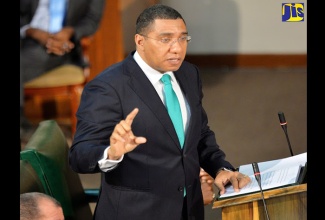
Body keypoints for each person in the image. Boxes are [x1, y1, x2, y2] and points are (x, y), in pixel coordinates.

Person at [69, 4, 251, 220]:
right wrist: (112, 153)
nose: (177, 48)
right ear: (140, 41)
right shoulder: (108, 87)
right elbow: (79, 154)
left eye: (183, 39)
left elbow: (199, 133)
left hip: (188, 209)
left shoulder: (188, 73)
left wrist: (220, 168)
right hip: (136, 213)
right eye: (166, 39)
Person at [20, 0, 106, 140]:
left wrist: (69, 32)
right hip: (27, 38)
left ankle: (23, 127)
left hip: (64, 45)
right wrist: (32, 31)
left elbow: (92, 20)